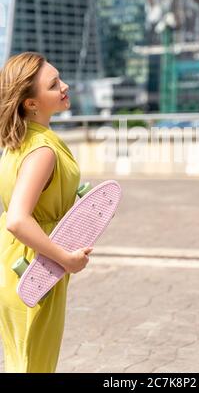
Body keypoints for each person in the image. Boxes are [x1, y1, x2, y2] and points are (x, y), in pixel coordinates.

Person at [0, 52, 93, 373]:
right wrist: (66, 259)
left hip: (19, 262)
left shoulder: (19, 142)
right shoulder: (42, 151)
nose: (64, 86)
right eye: (54, 84)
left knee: (22, 360)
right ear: (31, 103)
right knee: (33, 366)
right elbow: (17, 219)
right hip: (37, 267)